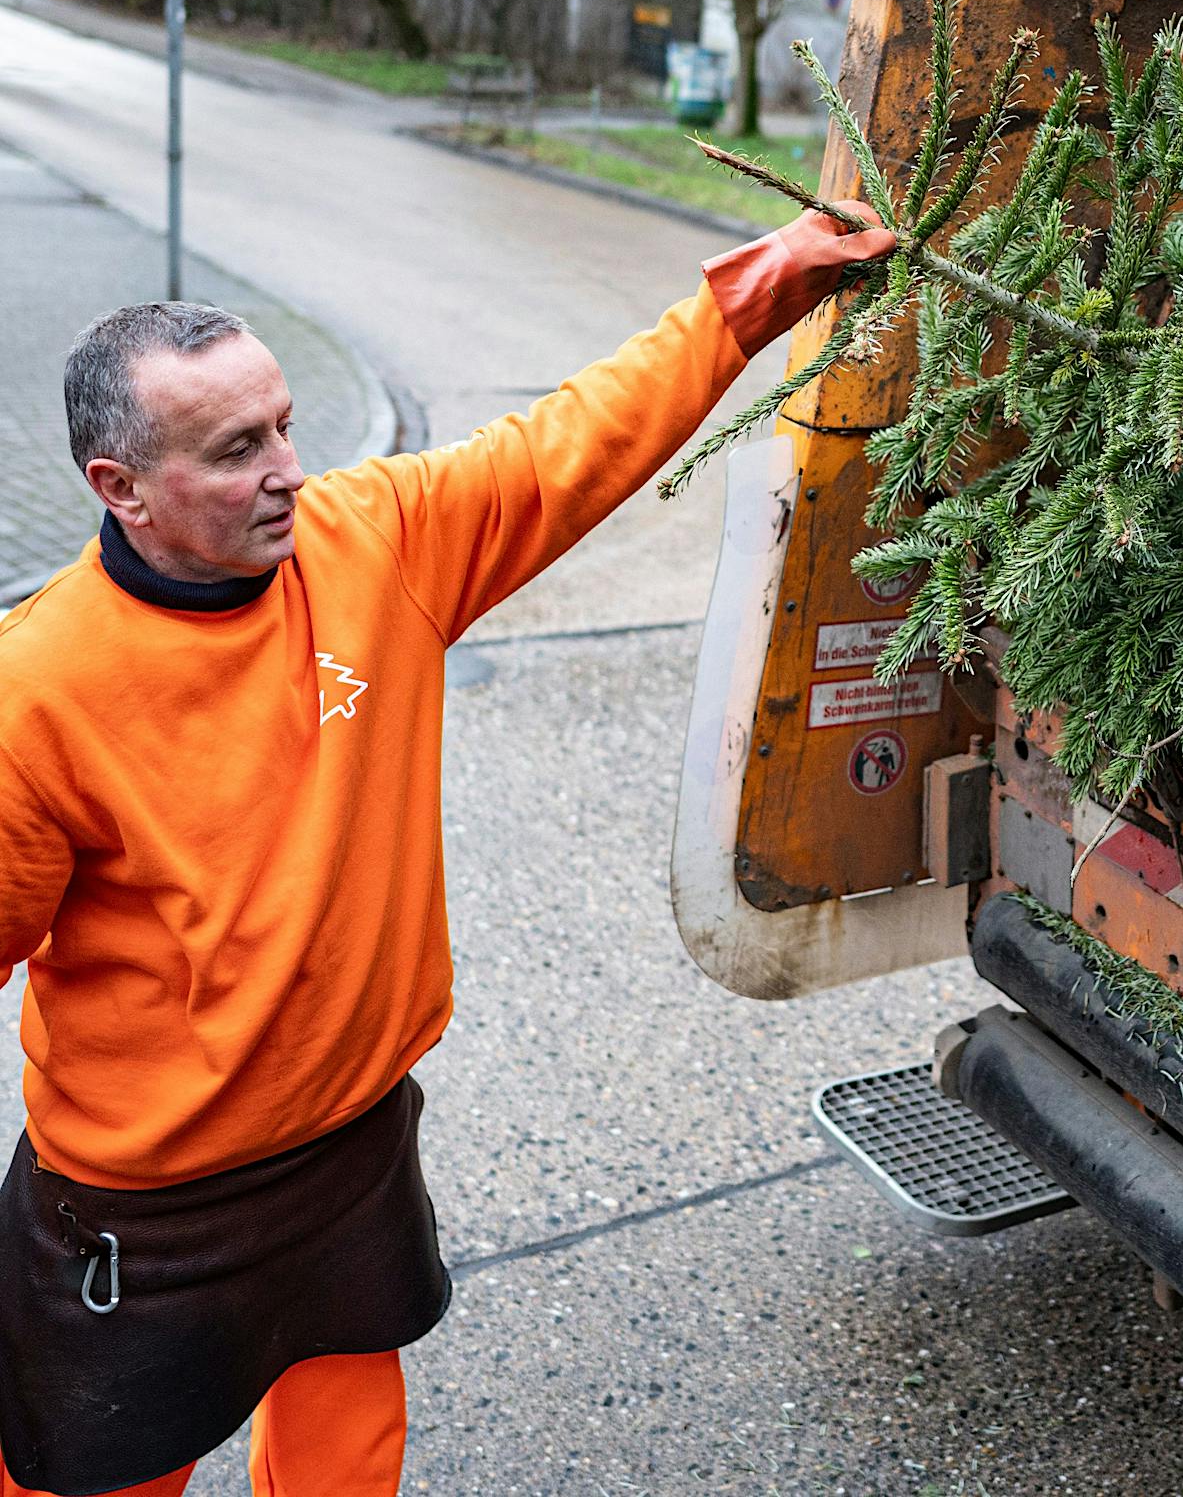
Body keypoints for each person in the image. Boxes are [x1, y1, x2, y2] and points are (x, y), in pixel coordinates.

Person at [0, 203, 895, 1497]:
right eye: (235, 449)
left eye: (288, 425)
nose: (288, 471)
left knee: (346, 1466)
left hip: (350, 1153)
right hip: (145, 1213)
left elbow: (566, 445)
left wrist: (762, 289)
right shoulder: (36, 695)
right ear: (118, 488)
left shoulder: (371, 544)